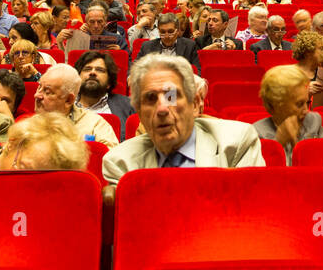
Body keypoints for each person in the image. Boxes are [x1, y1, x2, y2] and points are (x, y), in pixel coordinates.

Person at [101, 53, 264, 178]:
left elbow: (251, 212)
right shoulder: (120, 163)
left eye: (171, 96)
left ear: (195, 103)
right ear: (139, 111)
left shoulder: (236, 142)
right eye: (150, 98)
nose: (162, 109)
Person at [253, 64, 323, 163]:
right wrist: (278, 143)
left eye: (307, 102)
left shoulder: (313, 120)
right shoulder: (257, 134)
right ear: (274, 106)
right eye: (299, 104)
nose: (306, 110)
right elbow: (260, 175)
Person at [34, 64, 117, 147]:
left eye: (47, 92)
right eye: (39, 87)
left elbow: (110, 157)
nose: (37, 95)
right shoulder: (28, 126)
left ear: (68, 100)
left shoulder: (95, 125)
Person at [74, 50, 135, 136]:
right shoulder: (63, 104)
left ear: (109, 83)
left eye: (100, 70)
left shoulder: (129, 105)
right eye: (87, 69)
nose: (92, 73)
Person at [136, 13, 201, 67]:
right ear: (158, 31)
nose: (166, 36)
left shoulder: (189, 46)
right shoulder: (147, 46)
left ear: (177, 31)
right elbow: (136, 68)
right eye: (163, 32)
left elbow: (196, 71)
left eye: (170, 32)